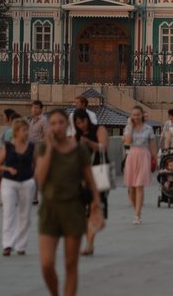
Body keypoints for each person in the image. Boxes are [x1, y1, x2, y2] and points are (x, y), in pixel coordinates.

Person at [36, 109, 102, 296]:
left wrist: (97, 204)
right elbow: (40, 180)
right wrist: (49, 148)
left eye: (60, 122)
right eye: (53, 123)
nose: (57, 126)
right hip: (49, 209)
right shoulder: (43, 149)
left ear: (67, 125)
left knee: (70, 263)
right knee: (47, 263)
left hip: (73, 209)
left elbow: (90, 180)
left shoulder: (78, 150)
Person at [0, 118, 36, 257]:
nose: (26, 133)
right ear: (17, 132)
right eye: (24, 130)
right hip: (9, 182)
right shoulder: (8, 147)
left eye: (27, 130)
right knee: (9, 212)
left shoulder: (31, 147)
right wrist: (8, 168)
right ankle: (7, 244)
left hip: (27, 182)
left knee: (25, 214)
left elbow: (36, 164)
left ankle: (21, 245)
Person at [72, 108, 109, 256]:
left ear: (87, 119)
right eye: (77, 123)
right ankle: (88, 241)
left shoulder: (99, 129)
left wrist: (89, 142)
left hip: (100, 171)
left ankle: (89, 243)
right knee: (84, 211)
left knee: (95, 207)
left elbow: (103, 148)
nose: (80, 125)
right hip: (83, 175)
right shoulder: (77, 135)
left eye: (82, 121)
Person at [123, 105, 156, 224]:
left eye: (138, 114)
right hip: (132, 154)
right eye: (134, 115)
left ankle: (137, 214)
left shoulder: (148, 128)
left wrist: (155, 158)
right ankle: (135, 208)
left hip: (144, 155)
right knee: (132, 186)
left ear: (142, 115)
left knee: (139, 185)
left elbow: (152, 144)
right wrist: (131, 127)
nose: (136, 117)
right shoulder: (128, 127)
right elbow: (127, 141)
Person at [28, 100, 47, 204]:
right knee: (31, 172)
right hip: (31, 148)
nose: (34, 109)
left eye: (36, 107)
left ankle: (35, 196)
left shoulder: (43, 120)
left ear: (40, 109)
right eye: (33, 107)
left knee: (36, 173)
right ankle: (33, 195)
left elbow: (46, 135)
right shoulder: (31, 120)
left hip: (39, 148)